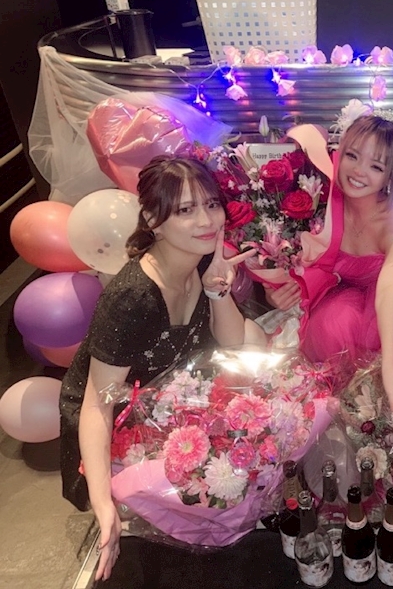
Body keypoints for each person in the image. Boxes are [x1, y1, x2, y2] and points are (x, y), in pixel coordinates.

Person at [59, 156, 266, 581]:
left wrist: (217, 291)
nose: (206, 220)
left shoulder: (203, 258)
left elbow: (232, 344)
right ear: (153, 220)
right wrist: (103, 505)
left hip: (173, 398)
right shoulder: (132, 297)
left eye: (211, 204)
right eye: (186, 209)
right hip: (119, 424)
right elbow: (97, 406)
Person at [267, 115, 393, 416]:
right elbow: (289, 260)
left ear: (390, 177)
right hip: (328, 298)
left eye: (376, 166)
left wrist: (391, 366)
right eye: (352, 156)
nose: (358, 171)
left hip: (384, 312)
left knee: (339, 320)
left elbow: (388, 290)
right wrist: (275, 289)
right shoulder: (317, 200)